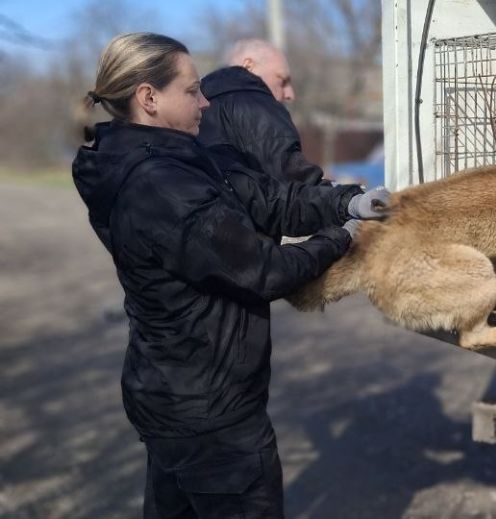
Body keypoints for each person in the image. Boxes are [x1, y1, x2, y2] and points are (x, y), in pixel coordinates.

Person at [72, 32, 386, 517]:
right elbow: (264, 270)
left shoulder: (182, 157)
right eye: (193, 90)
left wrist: (349, 200)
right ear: (149, 98)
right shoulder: (160, 186)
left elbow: (269, 198)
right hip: (211, 413)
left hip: (173, 395)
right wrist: (343, 237)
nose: (205, 101)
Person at [198, 38, 324, 184]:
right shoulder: (254, 105)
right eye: (282, 80)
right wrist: (347, 199)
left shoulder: (198, 111)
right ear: (248, 66)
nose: (290, 94)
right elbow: (298, 188)